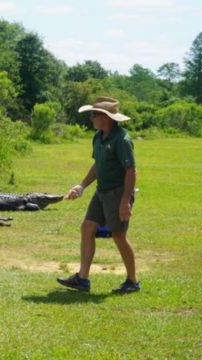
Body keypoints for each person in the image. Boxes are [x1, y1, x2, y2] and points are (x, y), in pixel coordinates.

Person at [56, 96, 140, 294]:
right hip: (101, 192)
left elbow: (131, 171)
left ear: (106, 117)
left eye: (94, 115)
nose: (91, 119)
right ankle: (82, 279)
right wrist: (82, 185)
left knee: (119, 236)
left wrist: (125, 201)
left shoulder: (121, 139)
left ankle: (132, 281)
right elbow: (97, 165)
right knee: (87, 228)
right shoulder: (98, 137)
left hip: (118, 193)